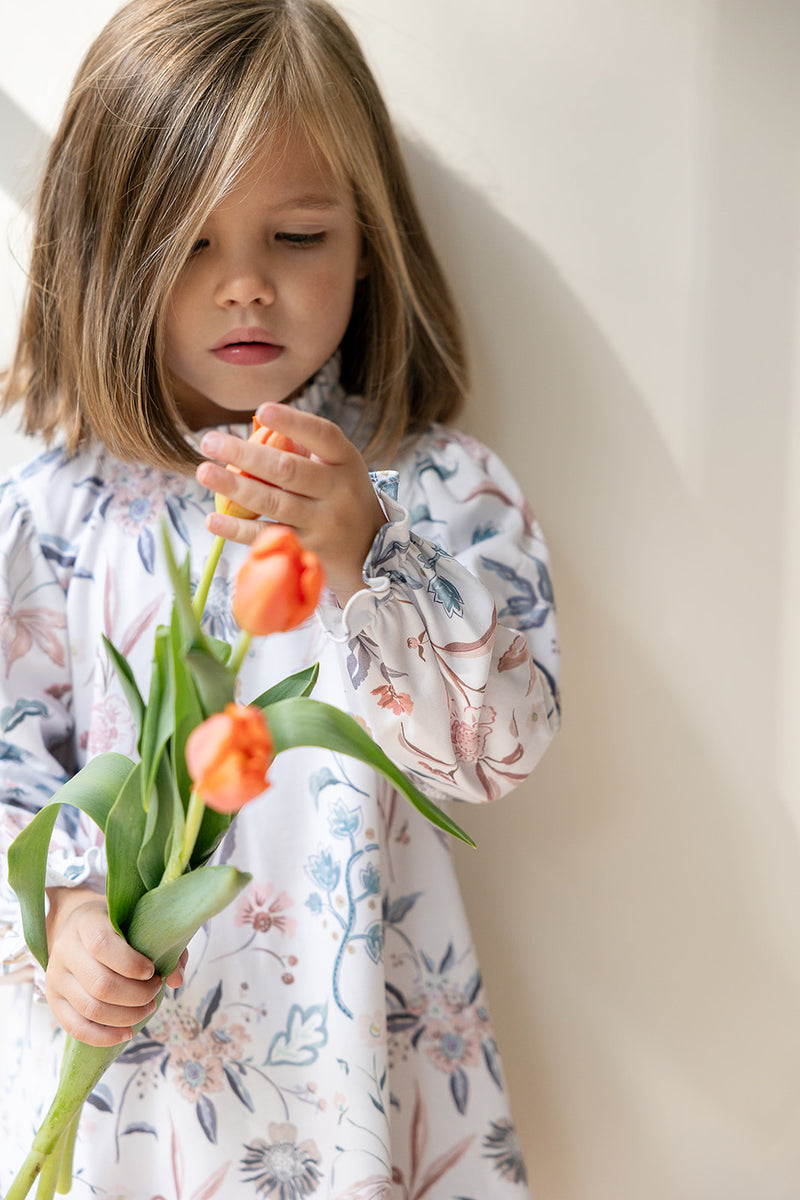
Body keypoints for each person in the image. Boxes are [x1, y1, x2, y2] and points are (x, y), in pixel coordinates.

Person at [0, 0, 560, 1195]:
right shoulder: (50, 506)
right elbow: (10, 758)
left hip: (352, 1061)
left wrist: (370, 553)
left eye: (298, 235)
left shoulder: (436, 487)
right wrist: (68, 910)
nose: (245, 286)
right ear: (101, 257)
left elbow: (499, 749)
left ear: (370, 241)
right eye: (187, 244)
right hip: (132, 1078)